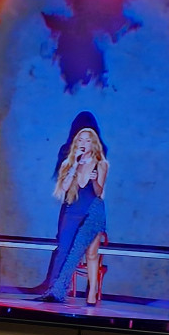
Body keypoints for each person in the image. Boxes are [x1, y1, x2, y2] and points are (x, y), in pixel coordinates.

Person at [37, 127, 108, 305]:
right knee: (63, 249)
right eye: (81, 140)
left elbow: (99, 192)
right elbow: (64, 188)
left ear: (93, 144)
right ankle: (53, 291)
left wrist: (94, 180)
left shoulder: (101, 164)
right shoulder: (69, 163)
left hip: (92, 211)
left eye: (88, 140)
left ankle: (92, 293)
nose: (84, 143)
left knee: (91, 253)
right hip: (73, 210)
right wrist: (75, 165)